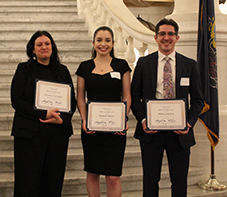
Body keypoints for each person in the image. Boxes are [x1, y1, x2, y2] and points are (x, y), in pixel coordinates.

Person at [131, 18, 204, 197]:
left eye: (170, 33)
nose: (166, 37)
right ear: (155, 38)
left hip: (180, 134)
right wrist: (143, 120)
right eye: (162, 33)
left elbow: (198, 101)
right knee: (150, 180)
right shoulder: (143, 63)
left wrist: (188, 123)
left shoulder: (190, 65)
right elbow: (134, 97)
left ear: (177, 38)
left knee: (179, 182)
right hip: (151, 133)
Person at [10, 30, 76, 197]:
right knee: (27, 182)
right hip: (29, 135)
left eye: (47, 44)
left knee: (53, 181)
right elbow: (16, 100)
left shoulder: (63, 70)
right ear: (33, 50)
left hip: (57, 134)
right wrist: (43, 113)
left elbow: (72, 101)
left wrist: (62, 120)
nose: (43, 47)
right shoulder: (23, 69)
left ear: (52, 47)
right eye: (39, 45)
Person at [76, 26, 131, 197]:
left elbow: (127, 96)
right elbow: (80, 98)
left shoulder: (122, 66)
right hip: (92, 128)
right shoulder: (84, 67)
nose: (103, 44)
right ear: (93, 43)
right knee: (92, 173)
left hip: (115, 129)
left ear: (113, 43)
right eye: (99, 40)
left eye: (107, 40)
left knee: (113, 177)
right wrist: (85, 120)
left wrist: (123, 119)